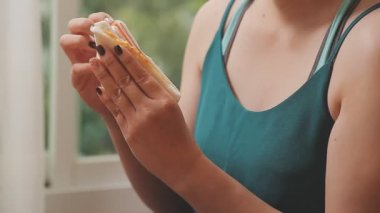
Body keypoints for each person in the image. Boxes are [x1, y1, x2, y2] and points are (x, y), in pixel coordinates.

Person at [60, 0, 380, 212]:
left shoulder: (369, 47)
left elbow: (186, 172)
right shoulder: (216, 20)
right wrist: (117, 108)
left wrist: (187, 166)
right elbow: (177, 202)